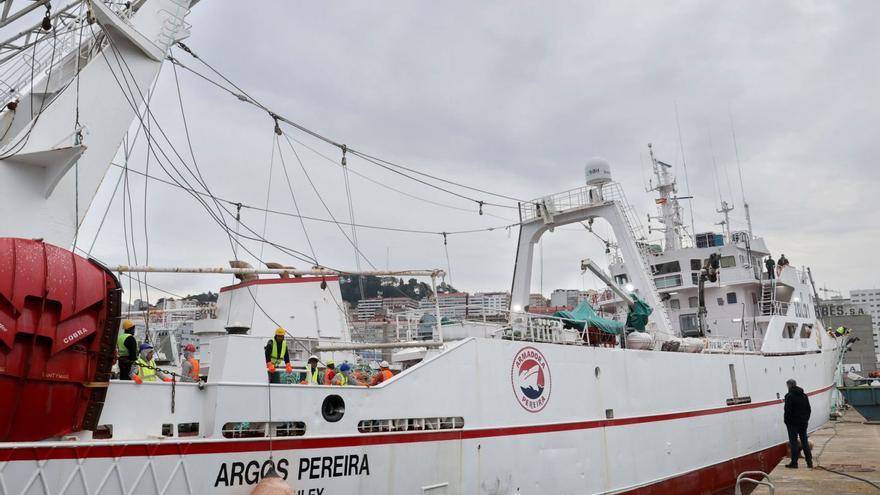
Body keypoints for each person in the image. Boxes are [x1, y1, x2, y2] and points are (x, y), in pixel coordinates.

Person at [784, 378, 813, 469]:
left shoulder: (789, 396)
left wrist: (786, 421)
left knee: (793, 443)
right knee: (804, 441)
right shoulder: (804, 395)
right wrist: (806, 419)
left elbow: (787, 411)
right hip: (803, 422)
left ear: (789, 385)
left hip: (792, 424)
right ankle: (809, 462)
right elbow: (808, 409)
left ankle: (794, 463)